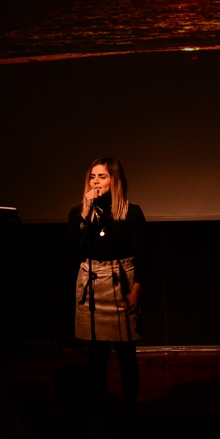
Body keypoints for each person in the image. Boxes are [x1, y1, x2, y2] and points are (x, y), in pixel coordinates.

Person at [65, 157, 146, 410]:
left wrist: (136, 289)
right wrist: (84, 212)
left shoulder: (132, 212)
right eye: (93, 176)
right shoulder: (80, 212)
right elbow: (70, 249)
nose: (96, 182)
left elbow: (144, 255)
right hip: (91, 284)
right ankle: (99, 410)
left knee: (126, 356)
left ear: (115, 180)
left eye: (102, 176)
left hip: (121, 284)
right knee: (96, 357)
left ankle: (130, 409)